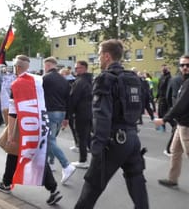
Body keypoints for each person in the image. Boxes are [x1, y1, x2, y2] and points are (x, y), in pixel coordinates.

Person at [75, 39, 149, 209]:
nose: (99, 59)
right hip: (132, 139)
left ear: (107, 56)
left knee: (92, 185)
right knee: (136, 182)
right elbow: (140, 106)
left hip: (113, 141)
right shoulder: (133, 78)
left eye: (100, 55)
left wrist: (96, 147)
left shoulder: (105, 79)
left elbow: (102, 116)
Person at [0, 55, 63, 205]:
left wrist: (10, 136)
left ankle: (7, 183)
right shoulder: (38, 80)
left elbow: (13, 113)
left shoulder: (17, 84)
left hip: (23, 125)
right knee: (34, 155)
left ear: (17, 67)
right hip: (39, 122)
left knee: (16, 152)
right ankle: (52, 189)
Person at [154, 55, 189, 188]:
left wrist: (164, 119)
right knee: (175, 151)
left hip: (187, 125)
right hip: (181, 124)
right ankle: (173, 179)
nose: (185, 67)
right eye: (182, 65)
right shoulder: (183, 81)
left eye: (187, 65)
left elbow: (180, 105)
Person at [42, 57, 76, 184]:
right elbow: (69, 99)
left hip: (50, 112)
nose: (44, 68)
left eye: (45, 66)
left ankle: (66, 165)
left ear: (48, 65)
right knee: (52, 139)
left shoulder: (45, 78)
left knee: (49, 140)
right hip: (61, 113)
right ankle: (50, 163)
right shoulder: (64, 80)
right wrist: (67, 117)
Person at [69, 60, 92, 169]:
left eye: (77, 68)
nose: (75, 70)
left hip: (81, 112)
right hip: (90, 112)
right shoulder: (90, 80)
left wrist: (69, 114)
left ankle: (83, 160)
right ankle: (96, 157)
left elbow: (73, 99)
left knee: (81, 136)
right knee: (87, 136)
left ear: (84, 68)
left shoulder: (80, 82)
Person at [155, 64, 173, 132]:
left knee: (164, 113)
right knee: (160, 113)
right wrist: (156, 97)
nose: (163, 69)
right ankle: (162, 127)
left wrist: (168, 98)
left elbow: (168, 88)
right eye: (162, 67)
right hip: (161, 97)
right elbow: (159, 88)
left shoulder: (168, 77)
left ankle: (173, 125)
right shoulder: (161, 77)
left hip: (165, 98)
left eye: (164, 68)